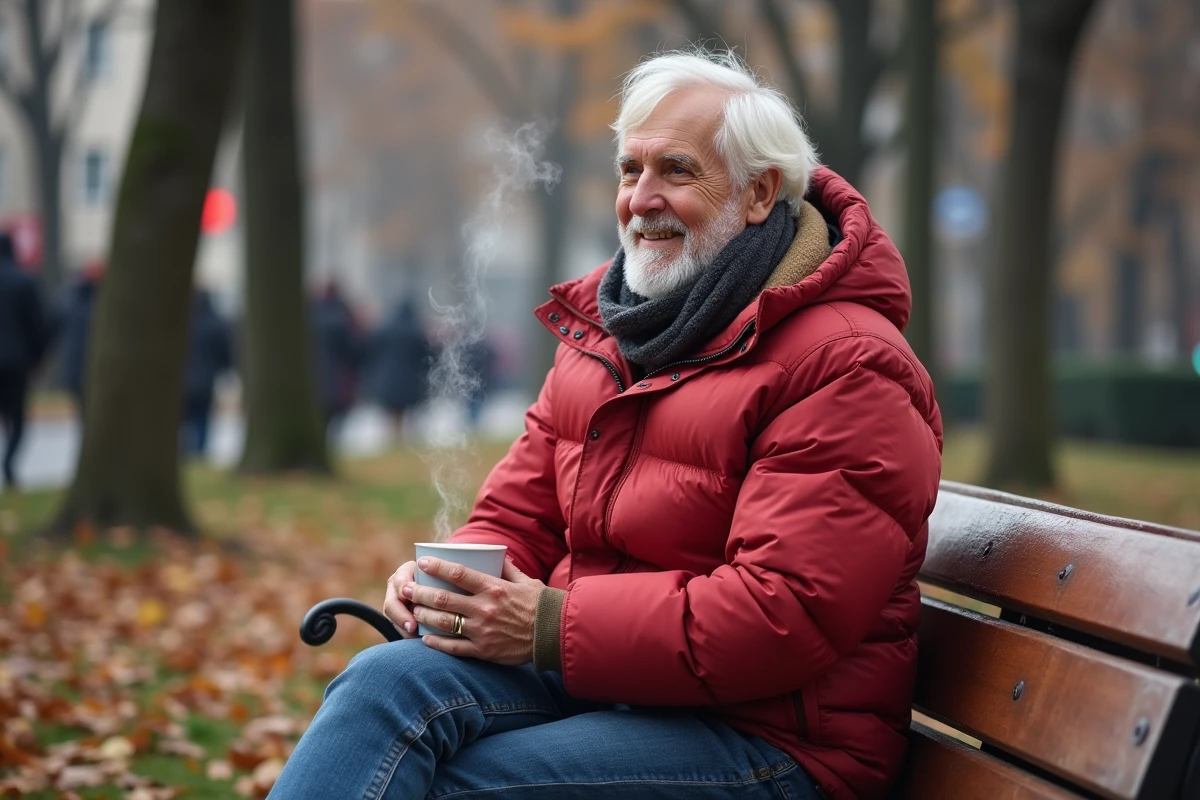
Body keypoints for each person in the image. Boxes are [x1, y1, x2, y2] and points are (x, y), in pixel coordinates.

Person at [271, 50, 942, 800]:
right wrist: (450, 584)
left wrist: (547, 626)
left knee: (450, 786)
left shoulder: (847, 364)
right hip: (607, 683)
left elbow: (782, 614)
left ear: (759, 193)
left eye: (677, 172)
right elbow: (515, 515)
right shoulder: (612, 332)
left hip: (774, 742)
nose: (640, 199)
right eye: (629, 170)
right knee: (382, 686)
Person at [0, 232, 46, 491]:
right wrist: (38, 357)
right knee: (17, 418)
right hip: (16, 362)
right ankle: (8, 462)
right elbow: (36, 325)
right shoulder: (24, 282)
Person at [365, 298, 432, 440]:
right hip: (410, 380)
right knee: (408, 415)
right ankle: (404, 439)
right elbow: (425, 357)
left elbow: (372, 351)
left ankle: (394, 439)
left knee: (392, 414)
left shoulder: (384, 330)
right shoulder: (416, 332)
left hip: (387, 379)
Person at [180, 289, 233, 458]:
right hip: (205, 381)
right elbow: (224, 351)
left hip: (181, 382)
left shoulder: (178, 323)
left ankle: (183, 453)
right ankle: (199, 454)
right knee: (201, 420)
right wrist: (225, 368)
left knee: (182, 419)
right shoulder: (215, 321)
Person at [309, 280, 363, 439]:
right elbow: (353, 348)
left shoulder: (312, 314)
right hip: (339, 376)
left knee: (321, 412)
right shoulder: (343, 316)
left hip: (315, 373)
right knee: (336, 417)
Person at [58, 261, 103, 421]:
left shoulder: (70, 298)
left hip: (96, 367)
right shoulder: (70, 298)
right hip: (79, 367)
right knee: (87, 412)